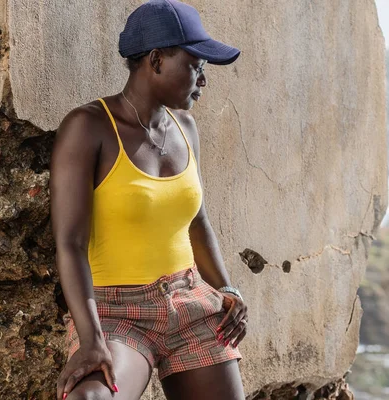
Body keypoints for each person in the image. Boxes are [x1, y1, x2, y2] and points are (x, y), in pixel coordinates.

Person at [50, 1, 248, 399]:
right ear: (156, 60)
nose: (203, 80)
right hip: (115, 310)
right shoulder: (88, 127)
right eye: (196, 66)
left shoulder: (185, 127)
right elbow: (69, 243)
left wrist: (228, 290)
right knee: (88, 398)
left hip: (189, 300)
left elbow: (195, 222)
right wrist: (90, 340)